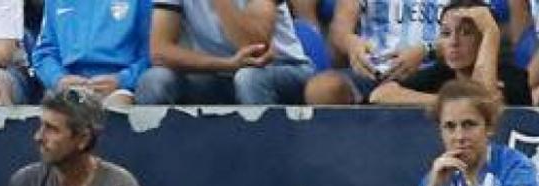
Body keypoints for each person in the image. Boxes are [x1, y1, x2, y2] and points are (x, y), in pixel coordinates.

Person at [0, 87, 148, 186]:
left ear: (83, 139)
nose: (38, 137)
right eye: (41, 125)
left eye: (52, 129)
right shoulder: (23, 183)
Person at [405, 79, 539, 186]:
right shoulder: (436, 177)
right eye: (449, 126)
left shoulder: (514, 167)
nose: (459, 136)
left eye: (469, 124)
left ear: (489, 127)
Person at [135, 0, 314, 104]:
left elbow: (254, 46)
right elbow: (160, 51)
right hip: (217, 74)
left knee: (249, 78)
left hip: (283, 70)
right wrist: (227, 64)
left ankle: (262, 162)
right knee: (154, 80)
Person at [370, 0, 530, 106]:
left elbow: (480, 103)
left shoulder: (513, 76)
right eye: (446, 33)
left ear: (484, 39)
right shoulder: (440, 73)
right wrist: (448, 102)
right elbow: (379, 95)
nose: (454, 42)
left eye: (466, 32)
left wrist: (490, 31)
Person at [304, 0, 443, 104]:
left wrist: (427, 50)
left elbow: (463, 34)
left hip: (437, 70)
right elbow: (340, 29)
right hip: (374, 70)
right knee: (322, 89)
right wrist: (351, 42)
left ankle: (441, 103)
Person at [29, 0, 151, 107]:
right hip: (69, 86)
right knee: (59, 110)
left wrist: (122, 80)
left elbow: (151, 52)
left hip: (120, 87)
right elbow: (43, 52)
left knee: (117, 106)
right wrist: (59, 79)